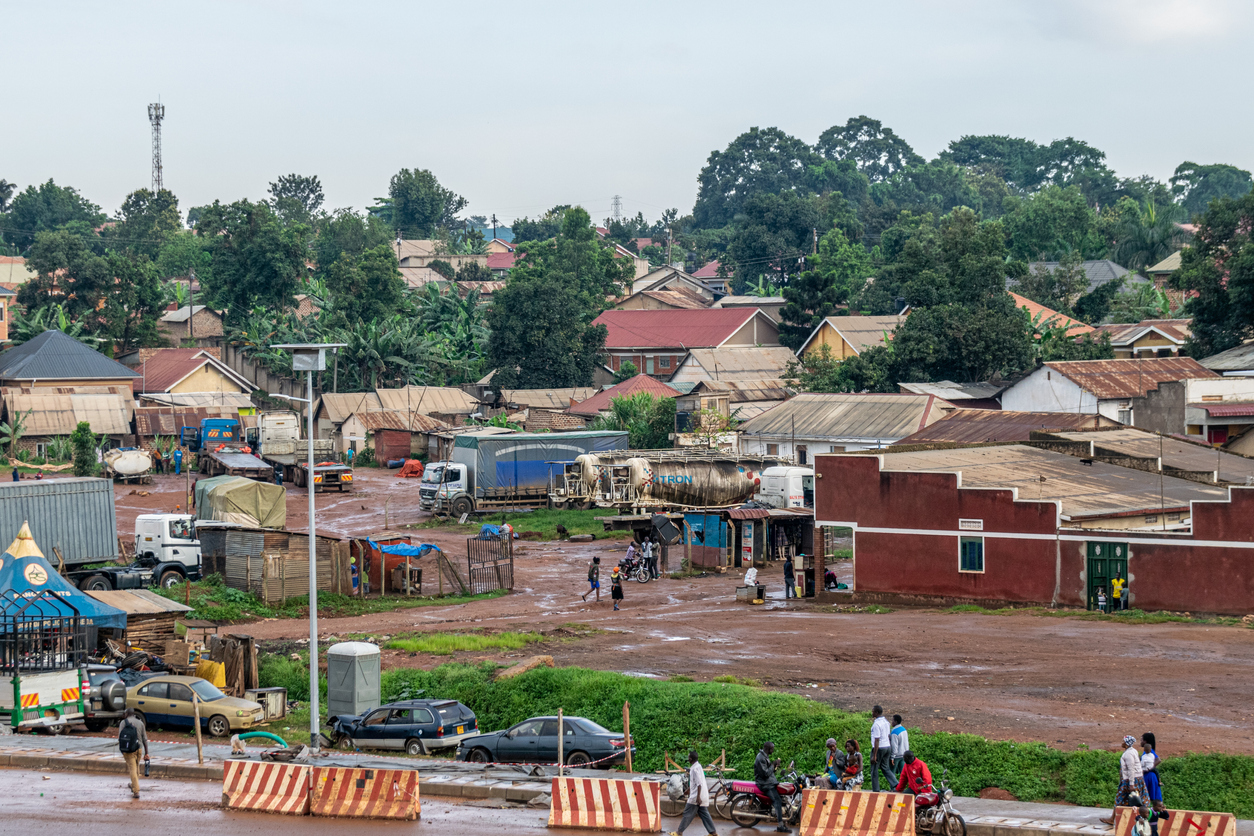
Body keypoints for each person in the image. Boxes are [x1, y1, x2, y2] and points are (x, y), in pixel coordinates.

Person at [1102, 735, 1148, 824]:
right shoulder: (1133, 751)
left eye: (1123, 741)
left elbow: (1131, 769)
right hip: (1137, 779)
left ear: (1127, 744)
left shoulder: (1128, 754)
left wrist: (1131, 784)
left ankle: (1112, 819)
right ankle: (1142, 818)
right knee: (1138, 799)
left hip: (1130, 780)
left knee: (1120, 799)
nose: (1122, 743)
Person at [672, 749, 717, 836]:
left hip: (696, 797)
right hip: (701, 795)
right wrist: (688, 790)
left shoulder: (694, 769)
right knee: (704, 814)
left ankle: (679, 832)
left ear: (691, 759)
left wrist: (698, 797)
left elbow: (699, 783)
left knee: (687, 814)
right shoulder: (698, 766)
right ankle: (713, 832)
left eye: (689, 757)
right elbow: (696, 783)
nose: (688, 758)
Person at [754, 741, 789, 834]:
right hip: (765, 784)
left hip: (769, 782)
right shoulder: (761, 758)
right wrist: (773, 765)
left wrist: (775, 765)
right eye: (772, 749)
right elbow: (765, 773)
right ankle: (780, 826)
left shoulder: (765, 756)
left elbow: (769, 770)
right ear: (768, 749)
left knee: (780, 796)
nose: (773, 750)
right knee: (777, 801)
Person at [117, 708, 150, 799]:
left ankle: (136, 791)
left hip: (129, 750)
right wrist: (146, 753)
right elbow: (145, 739)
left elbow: (120, 737)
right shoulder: (140, 723)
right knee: (136, 767)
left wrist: (122, 750)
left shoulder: (123, 723)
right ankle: (133, 784)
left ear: (127, 714)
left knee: (132, 769)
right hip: (139, 749)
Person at [869, 705, 896, 792]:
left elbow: (877, 739)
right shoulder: (886, 722)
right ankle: (896, 783)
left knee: (874, 769)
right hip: (887, 746)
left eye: (873, 711)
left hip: (879, 748)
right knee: (885, 768)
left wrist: (874, 755)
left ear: (876, 712)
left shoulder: (876, 724)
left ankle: (876, 790)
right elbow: (888, 736)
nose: (872, 713)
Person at [1140, 733, 1163, 809]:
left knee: (1148, 796)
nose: (1140, 741)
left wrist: (1149, 768)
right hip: (1150, 775)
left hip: (1149, 776)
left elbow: (1158, 760)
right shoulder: (1148, 752)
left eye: (1142, 740)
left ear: (1145, 741)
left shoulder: (1149, 752)